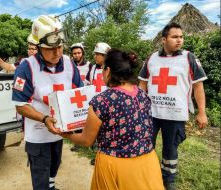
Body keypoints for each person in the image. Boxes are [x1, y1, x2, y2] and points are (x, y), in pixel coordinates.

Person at [55, 49, 164, 190]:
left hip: (115, 167)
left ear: (107, 71)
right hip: (147, 164)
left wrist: (65, 134)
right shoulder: (143, 95)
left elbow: (87, 140)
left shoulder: (102, 101)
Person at [12, 15, 83, 190]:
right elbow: (20, 106)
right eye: (51, 49)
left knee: (54, 167)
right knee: (40, 176)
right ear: (37, 47)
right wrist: (44, 119)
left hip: (59, 133)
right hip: (38, 135)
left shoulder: (69, 64)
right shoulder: (26, 67)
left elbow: (79, 93)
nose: (58, 53)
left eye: (60, 47)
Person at [138, 22, 208, 190]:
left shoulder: (189, 58)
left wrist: (202, 112)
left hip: (175, 114)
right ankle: (146, 174)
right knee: (146, 146)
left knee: (171, 149)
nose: (179, 40)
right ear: (164, 39)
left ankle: (168, 180)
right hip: (151, 113)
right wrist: (138, 108)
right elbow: (142, 84)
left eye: (181, 37)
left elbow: (198, 86)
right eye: (175, 37)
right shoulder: (152, 58)